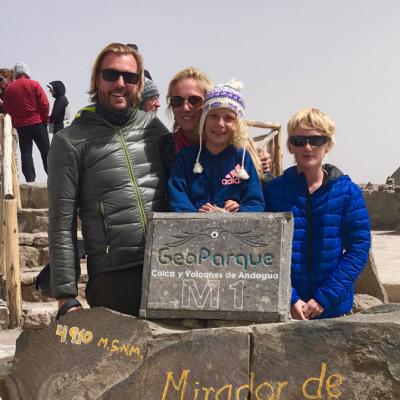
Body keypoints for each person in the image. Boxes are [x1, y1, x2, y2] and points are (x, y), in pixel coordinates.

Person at [47, 43, 168, 318]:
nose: (120, 83)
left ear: (138, 83)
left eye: (130, 77)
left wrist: (248, 157)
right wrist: (66, 296)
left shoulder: (153, 127)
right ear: (96, 79)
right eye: (111, 74)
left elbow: (190, 169)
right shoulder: (70, 140)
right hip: (113, 277)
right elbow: (61, 221)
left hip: (167, 264)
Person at [264, 108, 371, 320]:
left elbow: (358, 249)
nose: (307, 147)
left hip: (333, 309)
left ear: (328, 144)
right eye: (299, 140)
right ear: (290, 146)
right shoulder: (274, 192)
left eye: (316, 140)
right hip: (286, 309)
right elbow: (265, 249)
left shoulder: (347, 192)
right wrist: (290, 297)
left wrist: (324, 298)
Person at [169, 80, 264, 212]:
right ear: (204, 120)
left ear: (237, 124)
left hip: (234, 231)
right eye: (213, 116)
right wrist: (195, 216)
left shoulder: (242, 158)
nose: (220, 124)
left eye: (228, 118)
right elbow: (177, 197)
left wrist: (239, 210)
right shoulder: (186, 158)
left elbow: (256, 202)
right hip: (194, 231)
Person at [162, 67, 272, 181]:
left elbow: (259, 190)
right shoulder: (164, 149)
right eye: (177, 101)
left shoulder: (239, 146)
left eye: (194, 100)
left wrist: (260, 167)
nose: (185, 108)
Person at [3, 62, 50, 182]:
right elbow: (44, 104)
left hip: (21, 127)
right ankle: (53, 177)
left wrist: (15, 123)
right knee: (46, 152)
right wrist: (45, 120)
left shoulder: (9, 89)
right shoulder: (34, 84)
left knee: (26, 153)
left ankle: (30, 180)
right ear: (26, 72)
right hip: (38, 123)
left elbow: (7, 110)